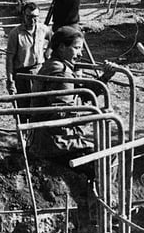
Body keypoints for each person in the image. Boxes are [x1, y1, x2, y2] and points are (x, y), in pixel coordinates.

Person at [26, 26, 116, 160]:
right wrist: (97, 114)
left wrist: (104, 78)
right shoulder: (61, 72)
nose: (80, 54)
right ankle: (105, 182)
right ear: (62, 47)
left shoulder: (53, 65)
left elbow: (80, 94)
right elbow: (62, 115)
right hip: (55, 141)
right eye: (77, 48)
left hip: (46, 137)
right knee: (110, 156)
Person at [5, 2, 51, 103]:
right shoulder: (15, 33)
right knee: (23, 106)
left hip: (39, 72)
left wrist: (48, 51)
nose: (32, 20)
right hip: (22, 75)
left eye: (35, 17)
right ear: (24, 16)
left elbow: (53, 38)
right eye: (28, 16)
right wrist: (10, 80)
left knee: (39, 105)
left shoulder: (43, 29)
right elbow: (9, 59)